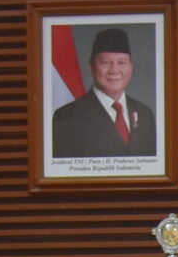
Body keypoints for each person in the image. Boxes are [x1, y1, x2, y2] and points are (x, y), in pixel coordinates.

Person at [50, 26, 157, 159]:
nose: (114, 70)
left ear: (131, 67)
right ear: (91, 67)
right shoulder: (67, 117)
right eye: (105, 62)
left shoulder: (145, 114)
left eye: (122, 63)